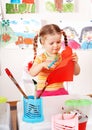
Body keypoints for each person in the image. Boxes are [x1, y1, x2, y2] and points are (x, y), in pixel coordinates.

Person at [29, 24, 80, 97]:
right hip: (43, 92)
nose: (55, 45)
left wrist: (75, 63)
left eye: (58, 42)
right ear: (43, 43)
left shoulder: (62, 57)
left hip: (60, 91)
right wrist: (42, 64)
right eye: (51, 43)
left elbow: (76, 72)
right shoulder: (41, 58)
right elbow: (32, 73)